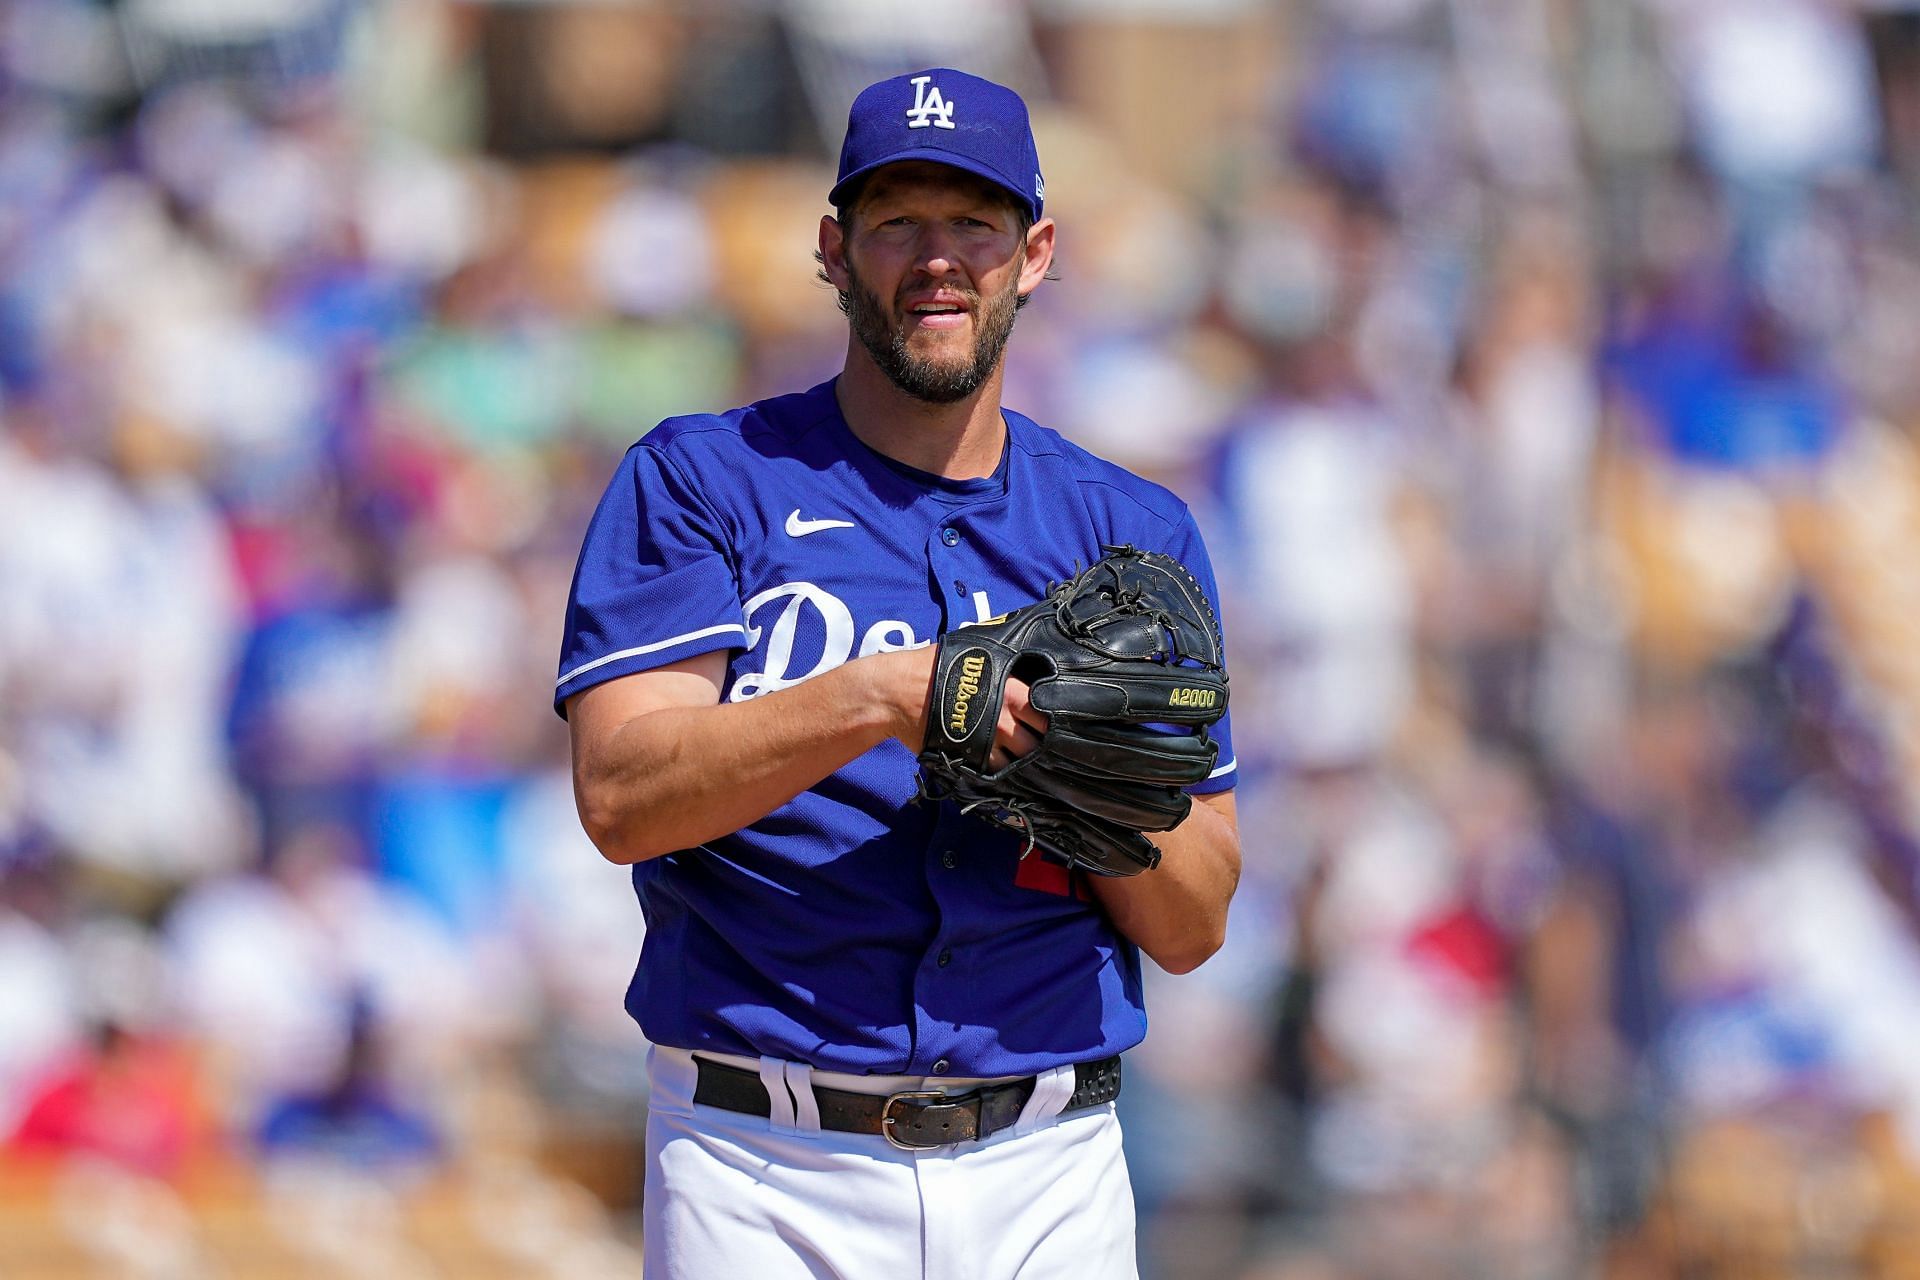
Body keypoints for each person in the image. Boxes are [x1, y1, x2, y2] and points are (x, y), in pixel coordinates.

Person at [556, 67, 1240, 1279]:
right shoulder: (706, 481)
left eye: (972, 222)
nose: (938, 259)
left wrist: (1094, 788)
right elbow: (621, 794)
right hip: (764, 1161)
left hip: (1049, 1167)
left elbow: (1193, 923)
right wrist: (881, 694)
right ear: (834, 249)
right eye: (898, 223)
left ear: (1032, 254)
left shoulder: (1128, 536)